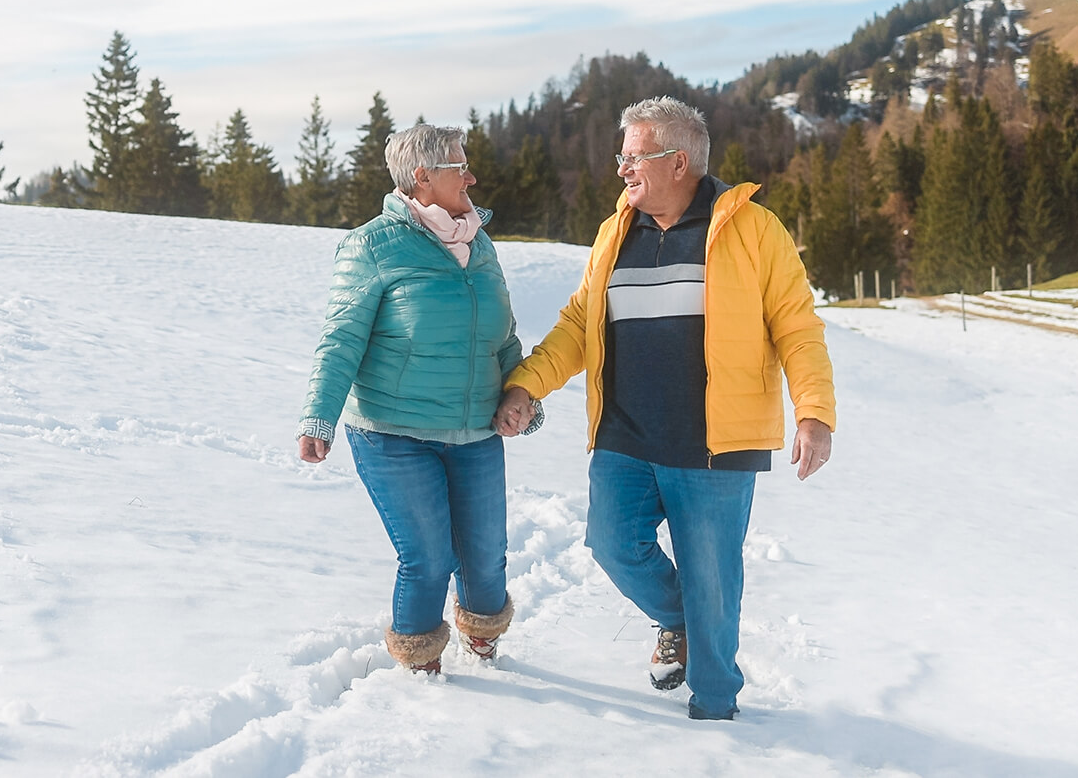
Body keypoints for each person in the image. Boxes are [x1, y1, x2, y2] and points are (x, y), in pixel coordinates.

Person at [495, 96, 835, 720]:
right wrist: (527, 385)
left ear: (679, 162)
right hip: (624, 435)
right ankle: (681, 619)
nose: (621, 169)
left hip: (715, 444)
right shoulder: (614, 231)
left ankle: (716, 713)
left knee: (714, 580)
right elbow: (579, 323)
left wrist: (813, 411)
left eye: (632, 156)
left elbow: (796, 325)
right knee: (612, 542)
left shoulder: (754, 230)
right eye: (620, 156)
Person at [298, 124, 532, 674]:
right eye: (459, 165)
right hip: (392, 433)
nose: (471, 176)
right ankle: (421, 669)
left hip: (475, 430)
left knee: (486, 559)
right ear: (421, 176)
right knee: (427, 559)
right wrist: (319, 416)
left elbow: (503, 335)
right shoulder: (372, 244)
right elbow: (342, 337)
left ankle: (483, 639)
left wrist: (523, 394)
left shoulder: (479, 243)